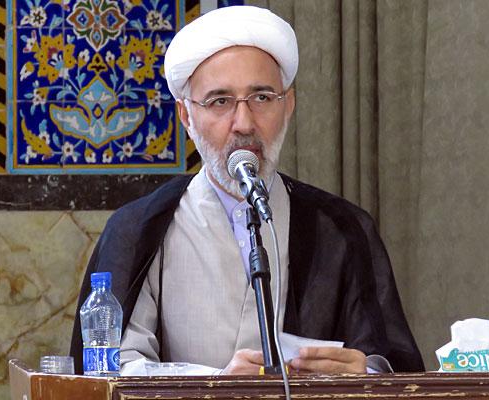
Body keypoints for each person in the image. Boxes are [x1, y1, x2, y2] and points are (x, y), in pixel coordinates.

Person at [70, 5, 424, 375]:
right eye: (220, 101)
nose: (243, 123)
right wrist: (215, 385)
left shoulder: (341, 227)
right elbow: (111, 370)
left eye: (262, 98)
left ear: (288, 105)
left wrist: (363, 376)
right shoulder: (140, 229)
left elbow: (393, 367)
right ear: (186, 116)